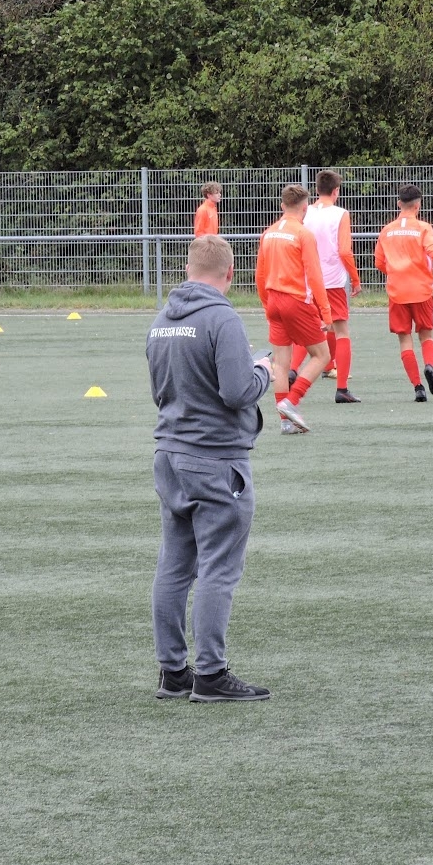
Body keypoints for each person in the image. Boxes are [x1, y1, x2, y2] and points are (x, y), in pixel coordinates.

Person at [146, 235, 273, 702]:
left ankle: (172, 672)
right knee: (219, 569)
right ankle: (212, 674)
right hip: (216, 458)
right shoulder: (223, 318)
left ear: (187, 267)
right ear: (230, 273)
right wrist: (264, 370)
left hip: (170, 454)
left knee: (174, 567)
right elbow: (238, 391)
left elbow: (161, 389)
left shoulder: (160, 321)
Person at [373, 184, 433, 402]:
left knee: (405, 341)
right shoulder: (423, 227)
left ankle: (418, 388)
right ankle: (429, 367)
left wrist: (395, 272)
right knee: (426, 335)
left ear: (399, 204)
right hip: (422, 290)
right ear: (418, 206)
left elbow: (379, 263)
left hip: (397, 292)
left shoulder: (387, 230)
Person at [256, 184, 333, 433]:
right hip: (295, 301)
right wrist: (326, 313)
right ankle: (292, 401)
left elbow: (260, 275)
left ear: (282, 206)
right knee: (322, 355)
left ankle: (285, 422)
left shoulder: (268, 233)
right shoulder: (302, 234)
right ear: (305, 208)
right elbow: (315, 275)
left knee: (281, 362)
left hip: (273, 300)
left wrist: (267, 304)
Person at [288, 170, 362, 403]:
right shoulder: (341, 214)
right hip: (332, 281)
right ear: (336, 191)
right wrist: (355, 278)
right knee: (341, 331)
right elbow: (344, 250)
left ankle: (292, 369)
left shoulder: (305, 212)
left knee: (310, 329)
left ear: (317, 189)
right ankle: (342, 389)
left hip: (309, 280)